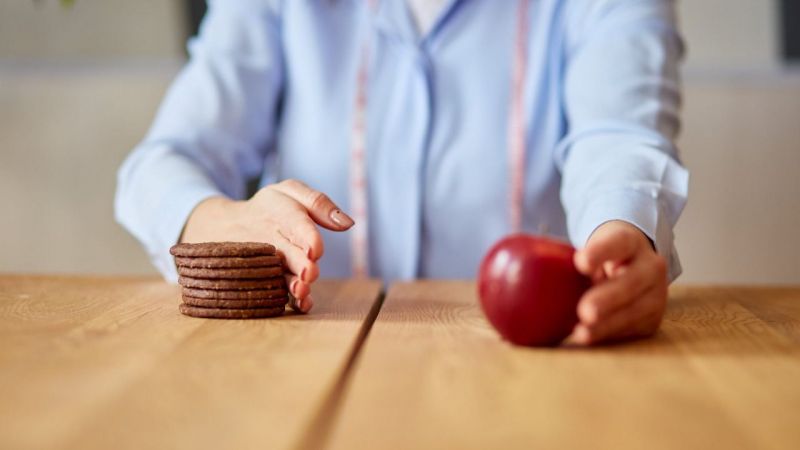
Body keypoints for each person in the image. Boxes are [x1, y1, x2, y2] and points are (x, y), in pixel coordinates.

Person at [115, 0, 689, 345]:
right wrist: (222, 219)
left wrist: (625, 232)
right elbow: (163, 162)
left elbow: (617, 135)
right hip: (301, 375)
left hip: (525, 382)